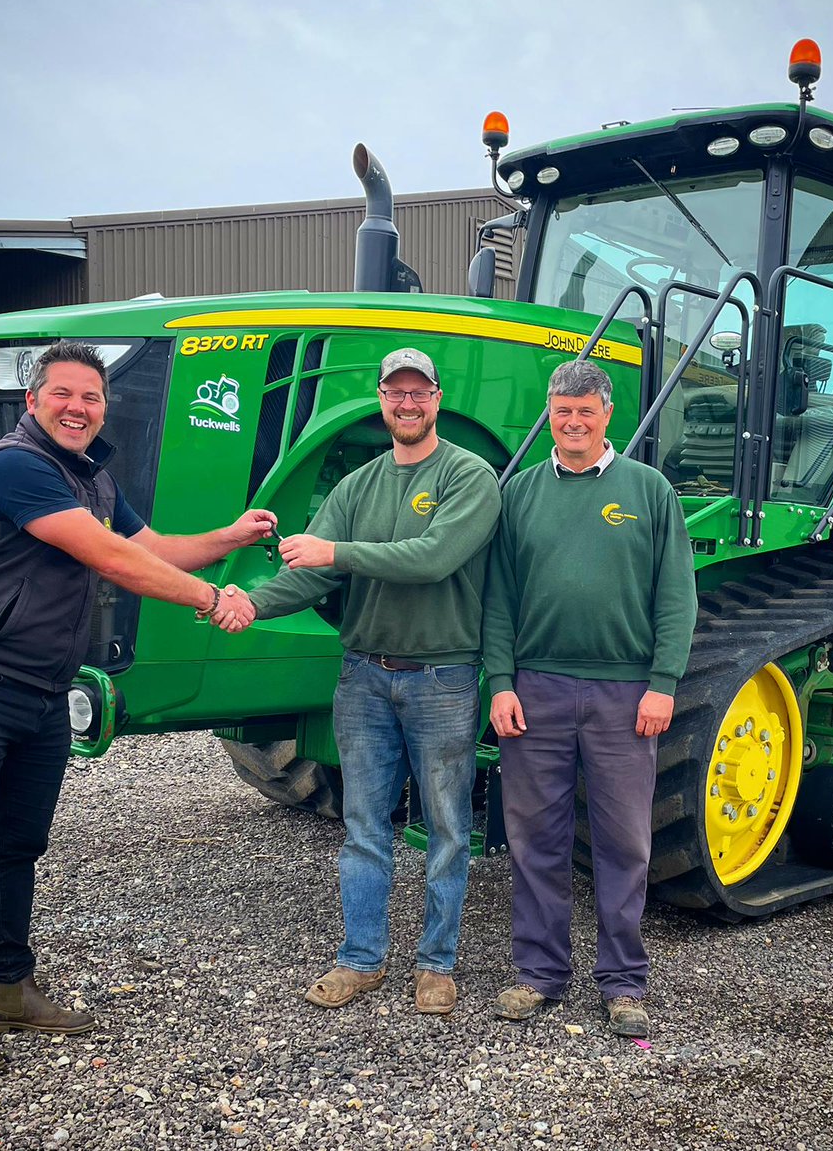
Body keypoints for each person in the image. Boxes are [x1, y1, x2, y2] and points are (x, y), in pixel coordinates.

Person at [0, 341, 276, 1077]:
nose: (78, 406)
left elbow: (154, 546)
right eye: (63, 393)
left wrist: (230, 538)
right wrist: (211, 599)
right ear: (32, 402)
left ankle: (7, 987)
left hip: (40, 687)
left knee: (16, 844)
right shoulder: (15, 465)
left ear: (105, 407)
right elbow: (108, 558)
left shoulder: (91, 476)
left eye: (92, 396)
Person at [215, 348, 500, 1015]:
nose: (407, 403)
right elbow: (313, 574)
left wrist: (334, 551)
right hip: (365, 677)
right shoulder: (358, 486)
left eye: (418, 391)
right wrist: (253, 602)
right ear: (381, 398)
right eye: (394, 392)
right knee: (364, 824)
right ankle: (362, 959)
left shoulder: (469, 475)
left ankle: (436, 964)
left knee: (447, 826)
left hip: (443, 678)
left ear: (437, 397)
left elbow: (433, 559)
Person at [484, 358, 697, 1037]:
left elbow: (676, 597)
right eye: (562, 409)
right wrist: (499, 682)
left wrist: (663, 683)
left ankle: (624, 981)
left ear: (608, 416)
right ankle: (539, 973)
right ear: (549, 413)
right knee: (535, 840)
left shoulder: (649, 489)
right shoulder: (519, 493)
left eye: (586, 410)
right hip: (536, 690)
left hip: (624, 694)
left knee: (625, 842)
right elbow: (497, 600)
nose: (573, 421)